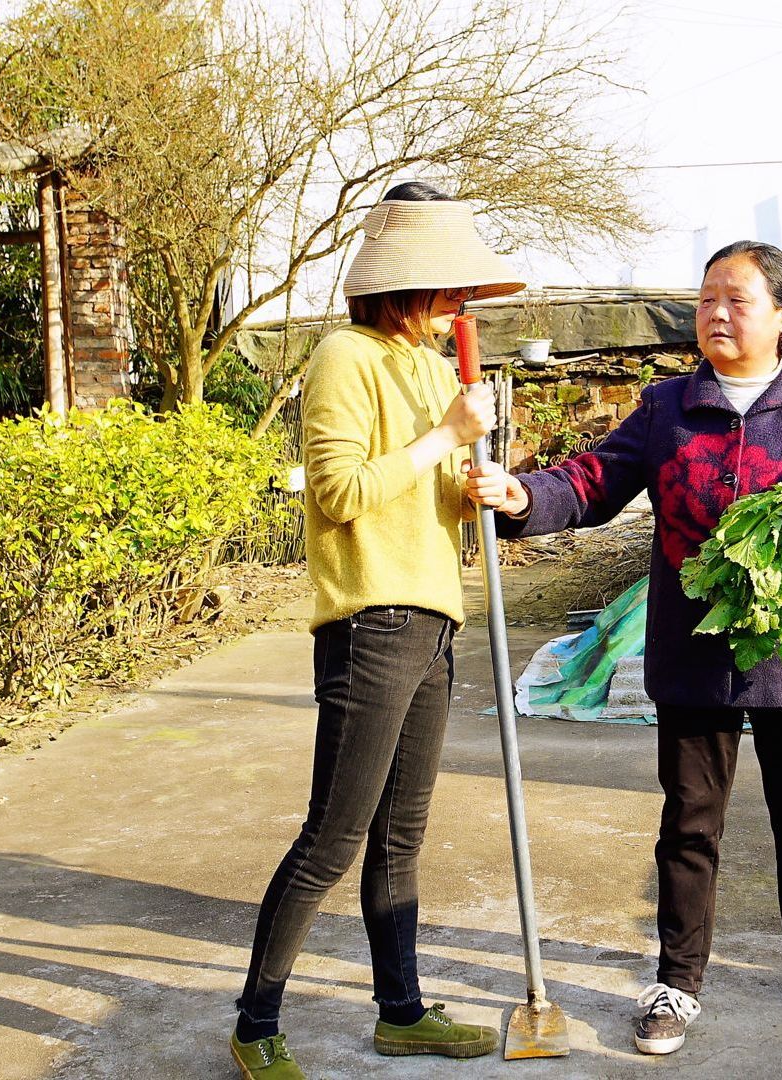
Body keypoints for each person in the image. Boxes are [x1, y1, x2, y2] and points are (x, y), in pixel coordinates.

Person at [466, 241, 782, 1056]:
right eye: (706, 300)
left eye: (736, 299)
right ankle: (677, 980)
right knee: (690, 820)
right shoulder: (669, 407)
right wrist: (526, 494)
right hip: (694, 647)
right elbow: (593, 480)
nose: (717, 314)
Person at [230, 182, 524, 1079]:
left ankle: (401, 1012)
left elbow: (430, 497)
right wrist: (442, 438)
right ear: (411, 284)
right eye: (450, 291)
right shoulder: (343, 357)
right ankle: (254, 1025)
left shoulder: (440, 373)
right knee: (332, 835)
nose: (460, 309)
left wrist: (482, 483)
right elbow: (340, 494)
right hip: (371, 621)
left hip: (436, 621)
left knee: (403, 838)